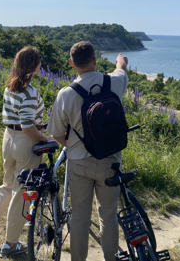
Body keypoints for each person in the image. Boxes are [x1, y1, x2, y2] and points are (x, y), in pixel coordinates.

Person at [47, 41, 129, 261]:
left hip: (79, 163)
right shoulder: (114, 82)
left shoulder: (65, 94)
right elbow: (121, 70)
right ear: (95, 60)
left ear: (72, 63)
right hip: (110, 161)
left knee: (80, 217)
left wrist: (73, 146)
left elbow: (55, 135)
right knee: (108, 215)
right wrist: (121, 61)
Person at [0, 46, 53, 258]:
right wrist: (46, 138)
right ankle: (10, 243)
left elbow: (20, 119)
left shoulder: (9, 86)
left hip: (8, 137)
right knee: (22, 193)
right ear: (35, 65)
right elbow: (28, 127)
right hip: (25, 142)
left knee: (7, 184)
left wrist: (39, 126)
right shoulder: (30, 91)